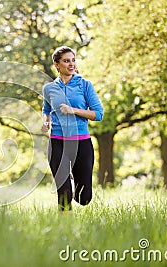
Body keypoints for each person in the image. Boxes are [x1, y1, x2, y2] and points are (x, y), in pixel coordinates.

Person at [41, 46, 104, 212]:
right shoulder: (49, 89)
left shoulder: (85, 85)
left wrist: (74, 110)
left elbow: (98, 114)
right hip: (57, 143)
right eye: (66, 61)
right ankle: (64, 230)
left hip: (81, 144)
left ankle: (73, 182)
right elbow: (46, 110)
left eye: (73, 60)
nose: (71, 64)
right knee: (64, 194)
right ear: (57, 64)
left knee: (84, 198)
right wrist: (46, 121)